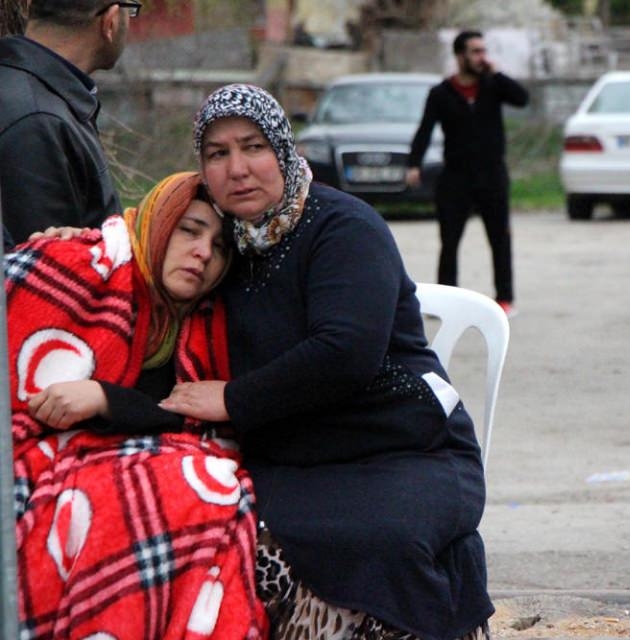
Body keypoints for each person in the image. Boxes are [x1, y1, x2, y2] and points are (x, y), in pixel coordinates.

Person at [159, 84, 493, 640]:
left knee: (383, 539)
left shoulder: (344, 227)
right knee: (223, 525)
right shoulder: (221, 246)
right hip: (297, 453)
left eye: (254, 146)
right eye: (217, 153)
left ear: (285, 151)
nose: (238, 168)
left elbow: (346, 353)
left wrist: (232, 399)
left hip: (405, 445)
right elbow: (130, 251)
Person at [9, 172, 268, 637]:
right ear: (158, 222)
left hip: (124, 466)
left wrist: (104, 398)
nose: (204, 254)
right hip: (38, 460)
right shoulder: (79, 266)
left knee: (208, 489)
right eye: (189, 230)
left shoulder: (203, 322)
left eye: (221, 247)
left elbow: (192, 419)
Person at [405, 30, 529, 318]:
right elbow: (424, 130)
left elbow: (522, 99)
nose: (481, 57)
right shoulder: (441, 93)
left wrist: (496, 73)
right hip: (456, 178)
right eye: (475, 51)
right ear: (460, 56)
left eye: (483, 51)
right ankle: (447, 300)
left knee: (500, 239)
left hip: (492, 177)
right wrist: (414, 164)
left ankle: (505, 299)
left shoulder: (493, 86)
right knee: (449, 241)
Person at [0, 0, 133, 244]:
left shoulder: (37, 98)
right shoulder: (38, 122)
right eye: (131, 9)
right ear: (110, 22)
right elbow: (49, 271)